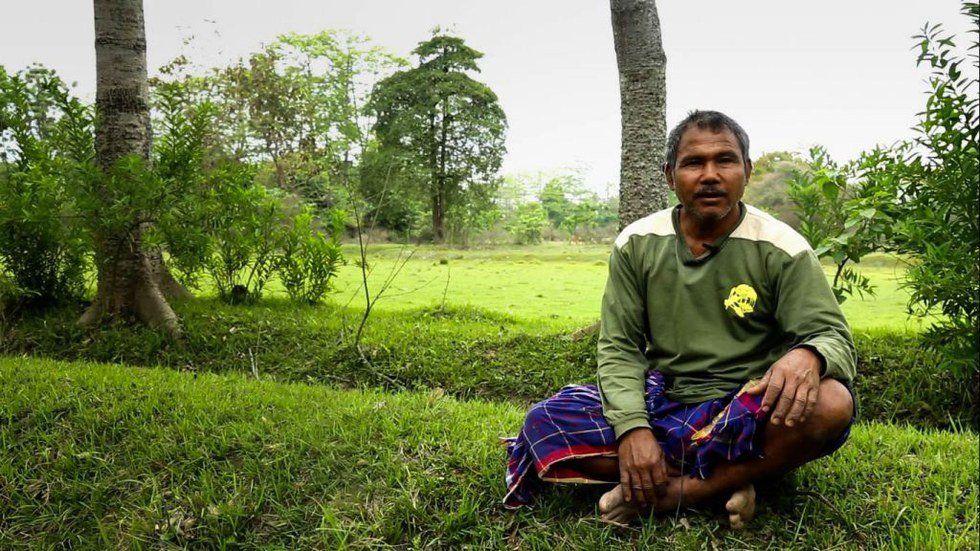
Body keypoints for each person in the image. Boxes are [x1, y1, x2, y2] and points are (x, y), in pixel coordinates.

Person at [503, 110, 856, 528]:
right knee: (544, 423)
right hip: (665, 395)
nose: (710, 175)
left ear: (747, 170)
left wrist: (809, 355)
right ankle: (732, 478)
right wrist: (633, 430)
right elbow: (619, 347)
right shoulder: (638, 243)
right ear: (670, 175)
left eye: (725, 160)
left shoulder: (781, 247)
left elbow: (832, 335)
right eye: (693, 163)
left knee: (832, 404)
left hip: (744, 402)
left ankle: (681, 492)